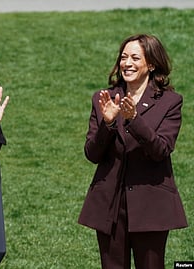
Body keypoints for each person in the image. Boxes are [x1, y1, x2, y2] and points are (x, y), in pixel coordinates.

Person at [78, 34, 188, 269]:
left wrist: (134, 120)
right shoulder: (103, 98)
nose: (127, 63)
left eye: (135, 58)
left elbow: (161, 149)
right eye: (124, 57)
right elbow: (92, 154)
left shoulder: (170, 101)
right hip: (110, 205)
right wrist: (107, 124)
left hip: (151, 205)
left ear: (151, 64)